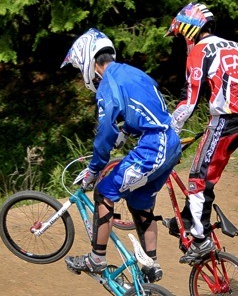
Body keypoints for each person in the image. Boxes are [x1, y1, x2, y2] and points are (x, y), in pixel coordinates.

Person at [60, 28, 181, 282]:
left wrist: (95, 168)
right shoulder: (132, 72)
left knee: (104, 192)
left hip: (153, 146)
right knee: (140, 202)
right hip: (170, 141)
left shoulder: (107, 84)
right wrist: (126, 131)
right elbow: (147, 106)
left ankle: (96, 258)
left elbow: (105, 132)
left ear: (88, 61)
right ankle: (151, 266)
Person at [164, 2, 238, 264]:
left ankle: (201, 238)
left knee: (198, 179)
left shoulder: (198, 51)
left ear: (189, 29)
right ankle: (186, 217)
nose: (183, 41)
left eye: (182, 35)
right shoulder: (236, 46)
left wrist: (170, 131)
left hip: (225, 121)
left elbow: (189, 101)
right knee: (207, 172)